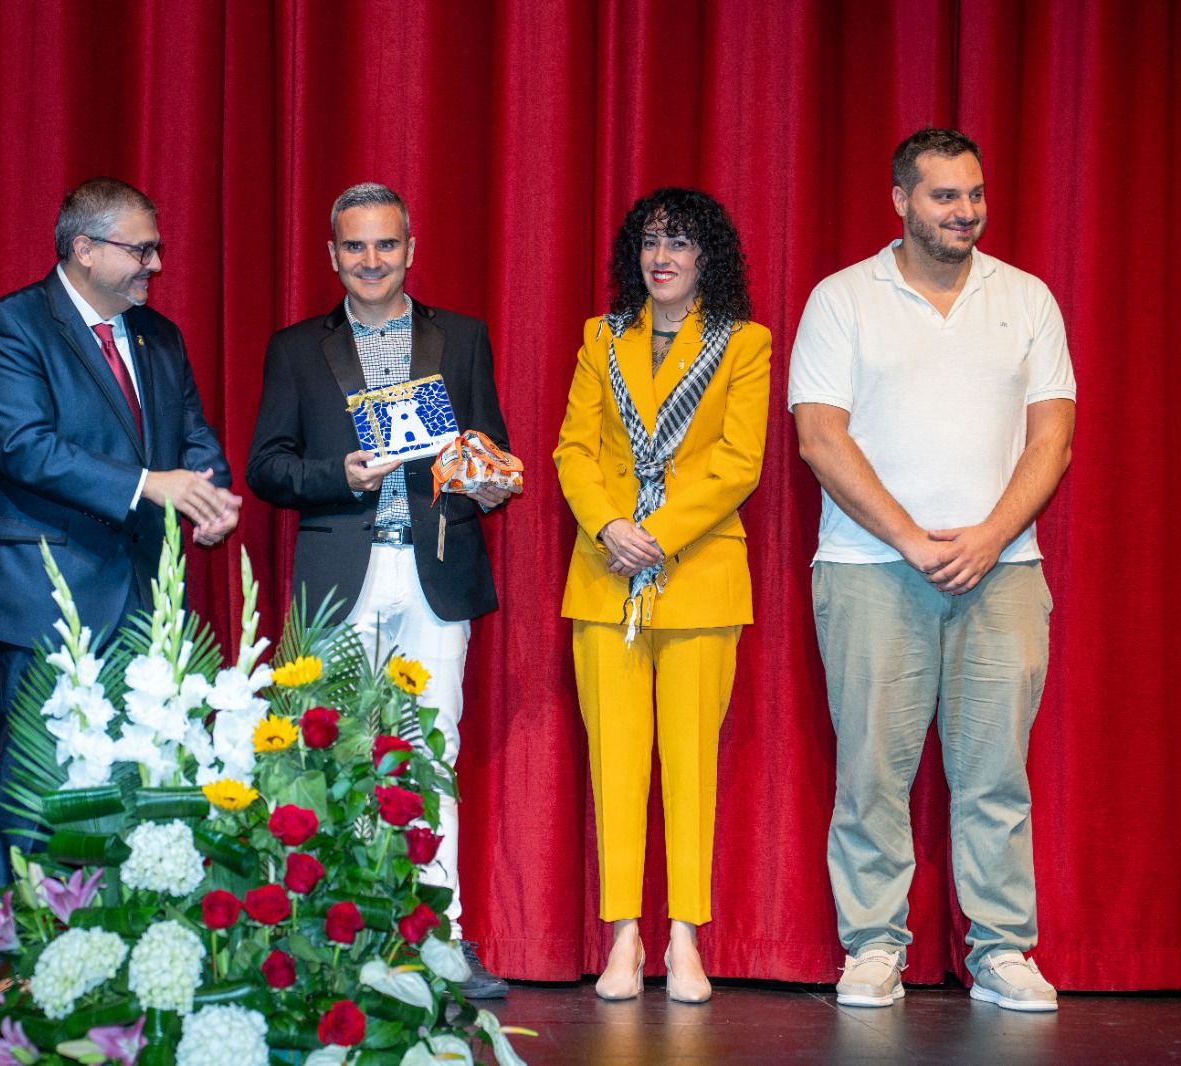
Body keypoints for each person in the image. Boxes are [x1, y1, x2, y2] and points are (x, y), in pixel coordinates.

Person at [789, 129, 1077, 1012]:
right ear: (902, 201)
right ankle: (873, 948)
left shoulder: (1026, 299)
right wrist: (912, 538)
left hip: (1006, 571)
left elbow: (1054, 434)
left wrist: (991, 534)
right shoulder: (842, 300)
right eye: (945, 196)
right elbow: (819, 437)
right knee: (872, 770)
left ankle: (1001, 951)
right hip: (871, 570)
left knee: (997, 774)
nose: (965, 212)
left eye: (975, 195)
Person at [246, 182, 512, 998]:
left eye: (385, 245)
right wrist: (342, 474)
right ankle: (339, 941)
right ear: (332, 256)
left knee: (435, 753)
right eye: (354, 247)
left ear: (410, 250)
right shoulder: (295, 349)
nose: (371, 261)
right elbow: (267, 467)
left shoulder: (461, 337)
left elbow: (489, 445)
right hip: (340, 573)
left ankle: (443, 936)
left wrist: (490, 478)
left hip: (434, 568)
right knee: (332, 756)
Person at [0, 177, 241, 892]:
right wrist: (152, 485)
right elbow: (24, 446)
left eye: (157, 248)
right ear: (84, 249)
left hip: (145, 599)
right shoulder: (11, 327)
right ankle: (13, 963)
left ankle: (106, 959)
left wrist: (206, 496)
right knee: (37, 776)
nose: (155, 264)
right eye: (140, 249)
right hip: (44, 593)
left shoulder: (159, 335)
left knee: (135, 779)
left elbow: (193, 436)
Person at [554, 188, 771, 1003]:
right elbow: (574, 448)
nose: (663, 256)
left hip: (700, 576)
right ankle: (622, 936)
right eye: (650, 242)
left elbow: (738, 461)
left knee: (690, 763)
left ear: (707, 255)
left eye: (680, 241)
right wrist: (612, 525)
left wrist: (661, 532)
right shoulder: (601, 339)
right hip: (606, 575)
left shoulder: (743, 344)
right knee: (616, 763)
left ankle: (685, 936)